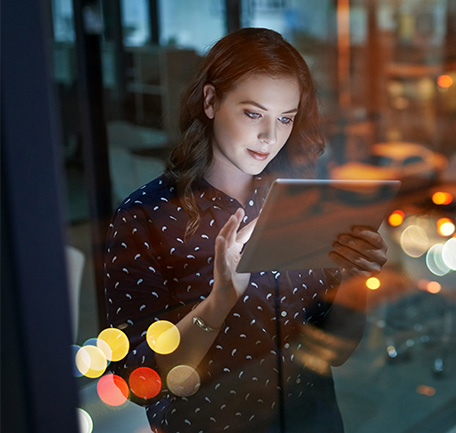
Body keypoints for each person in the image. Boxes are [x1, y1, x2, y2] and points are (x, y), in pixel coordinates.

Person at [104, 28, 387, 433]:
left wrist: (356, 279)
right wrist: (220, 301)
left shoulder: (299, 203)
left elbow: (332, 350)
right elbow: (137, 379)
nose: (270, 138)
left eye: (285, 118)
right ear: (211, 100)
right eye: (253, 113)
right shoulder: (146, 217)